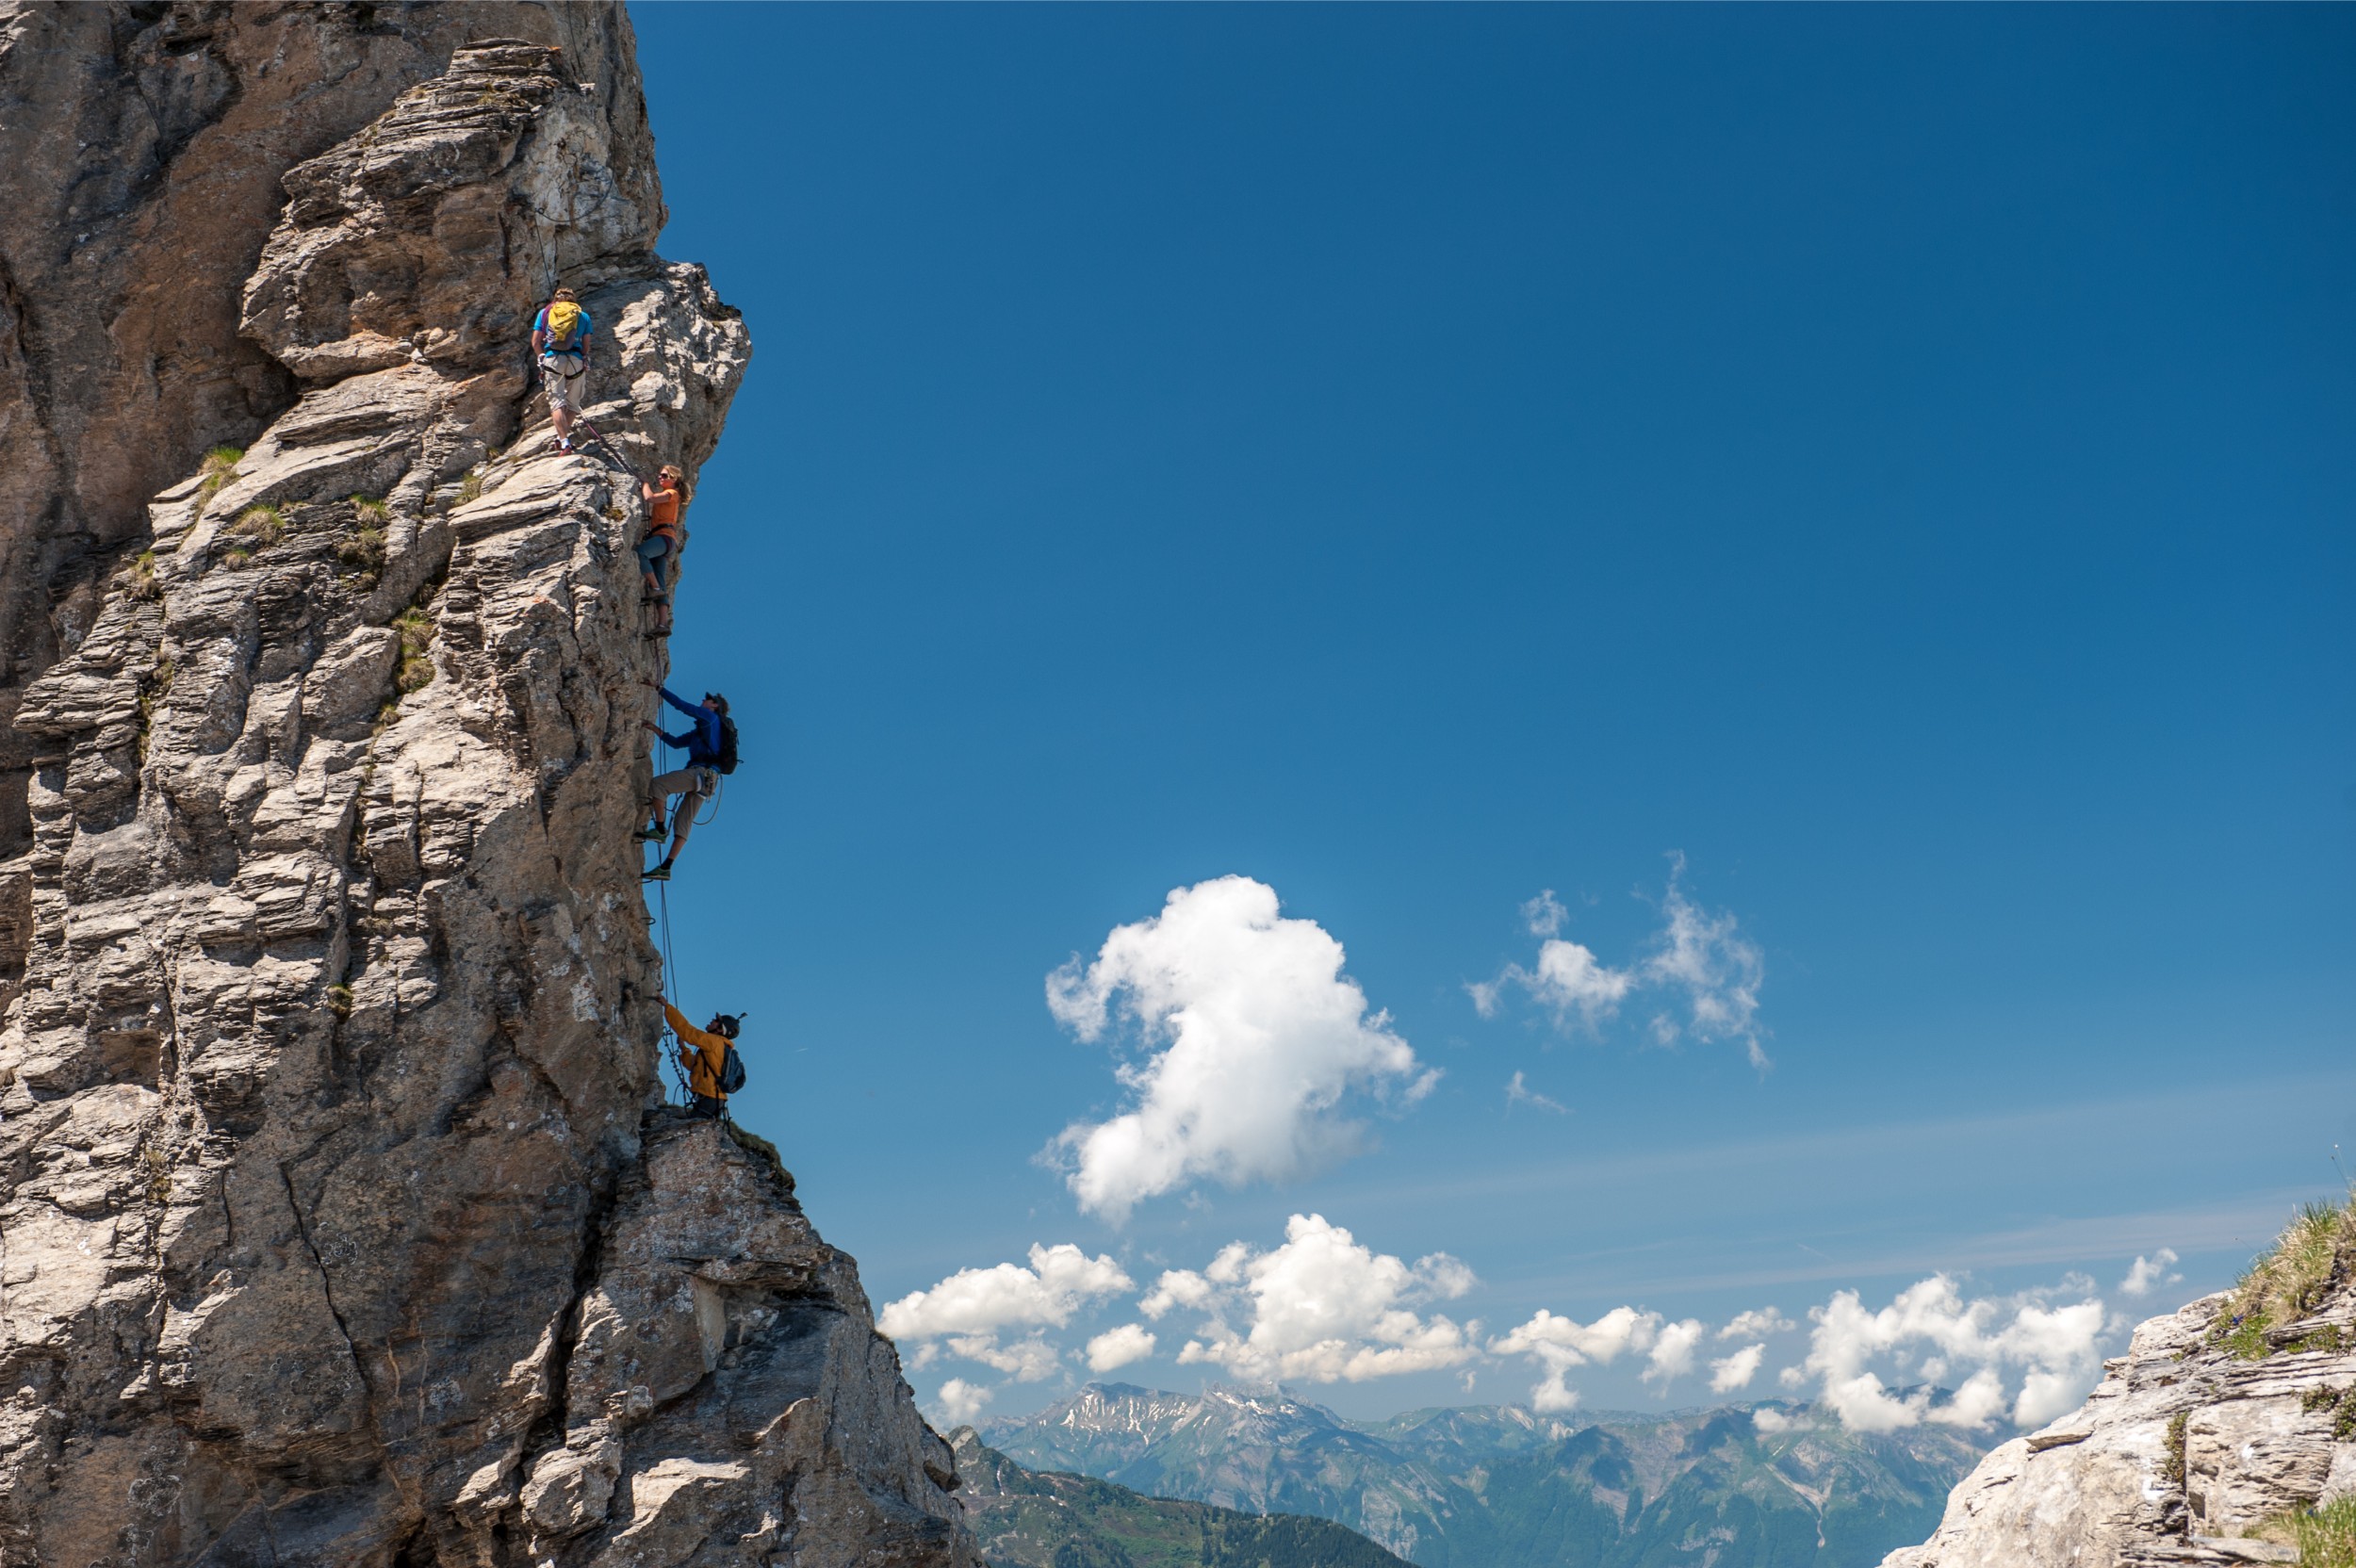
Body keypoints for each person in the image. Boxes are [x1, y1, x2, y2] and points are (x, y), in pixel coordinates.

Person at [638, 686, 730, 881]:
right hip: (709, 782)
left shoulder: (710, 718)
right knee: (684, 820)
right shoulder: (704, 730)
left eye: (708, 699)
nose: (703, 700)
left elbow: (682, 706)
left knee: (658, 785)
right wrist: (655, 729)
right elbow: (677, 743)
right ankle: (666, 867)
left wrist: (658, 689)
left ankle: (661, 829)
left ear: (714, 705)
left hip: (699, 773)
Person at [532, 287, 595, 451]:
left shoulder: (545, 313)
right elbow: (586, 344)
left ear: (556, 299)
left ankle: (564, 440)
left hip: (553, 359)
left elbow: (535, 342)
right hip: (576, 360)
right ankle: (563, 438)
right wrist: (583, 357)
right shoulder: (582, 315)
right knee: (573, 404)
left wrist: (541, 356)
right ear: (573, 300)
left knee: (557, 403)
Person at [659, 994, 739, 1119]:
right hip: (714, 1099)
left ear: (720, 1029)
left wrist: (667, 1006)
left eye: (716, 1021)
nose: (712, 1020)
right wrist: (683, 1048)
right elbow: (693, 1065)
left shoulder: (714, 1042)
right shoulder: (719, 1046)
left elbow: (688, 1032)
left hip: (709, 1098)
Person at [635, 465, 688, 638]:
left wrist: (644, 482)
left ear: (674, 479)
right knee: (661, 578)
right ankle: (662, 623)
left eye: (664, 475)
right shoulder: (673, 495)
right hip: (666, 541)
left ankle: (655, 587)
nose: (660, 477)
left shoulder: (671, 494)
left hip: (663, 538)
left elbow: (649, 498)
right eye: (660, 475)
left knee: (641, 553)